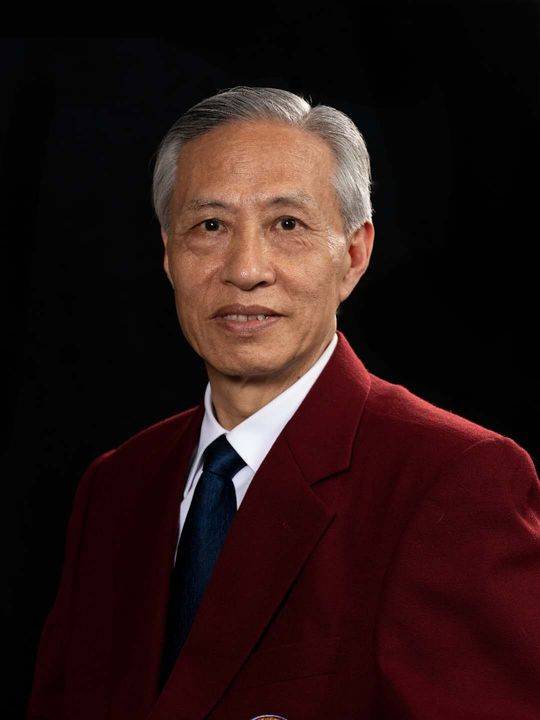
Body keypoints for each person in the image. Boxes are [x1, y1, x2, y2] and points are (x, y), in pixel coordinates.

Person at [27, 87, 540, 720]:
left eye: (287, 225)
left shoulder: (453, 481)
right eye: (210, 226)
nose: (246, 269)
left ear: (353, 255)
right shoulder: (116, 487)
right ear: (169, 255)